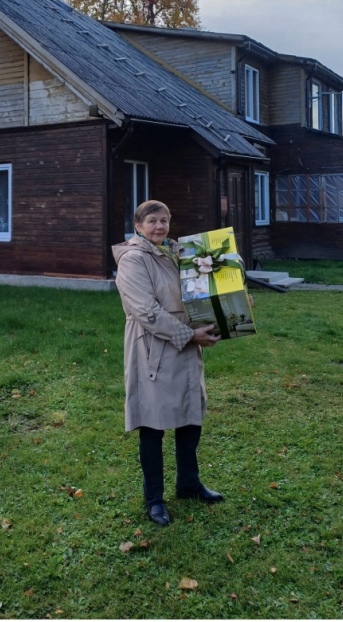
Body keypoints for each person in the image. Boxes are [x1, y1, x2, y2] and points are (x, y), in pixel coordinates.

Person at [112, 200, 222, 526]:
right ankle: (155, 499)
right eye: (152, 221)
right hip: (155, 348)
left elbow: (202, 291)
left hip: (187, 344)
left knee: (190, 419)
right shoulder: (134, 260)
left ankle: (188, 484)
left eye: (164, 220)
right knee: (153, 424)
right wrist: (189, 335)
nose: (159, 226)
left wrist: (230, 305)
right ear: (138, 226)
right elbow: (147, 312)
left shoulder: (180, 254)